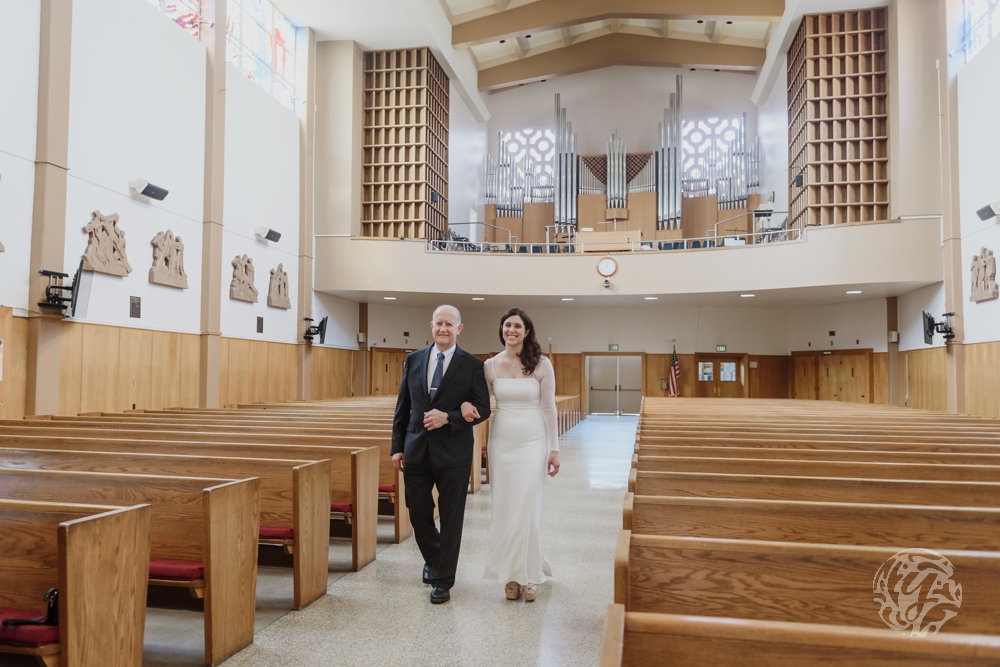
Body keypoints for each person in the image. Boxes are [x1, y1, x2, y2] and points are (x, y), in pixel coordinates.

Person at [391, 305, 491, 604]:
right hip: (417, 449)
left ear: (459, 328)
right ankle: (434, 558)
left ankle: (443, 579)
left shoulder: (472, 365)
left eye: (449, 324)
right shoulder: (414, 359)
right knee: (418, 513)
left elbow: (483, 409)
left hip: (454, 451)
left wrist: (450, 417)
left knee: (451, 517)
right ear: (431, 326)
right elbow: (402, 407)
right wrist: (397, 446)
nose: (443, 328)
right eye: (439, 323)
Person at [474, 308, 559, 602]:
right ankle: (510, 576)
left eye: (517, 326)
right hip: (502, 442)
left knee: (526, 506)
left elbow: (549, 407)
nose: (512, 330)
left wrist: (554, 448)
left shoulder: (541, 364)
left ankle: (531, 575)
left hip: (534, 441)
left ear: (526, 331)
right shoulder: (490, 366)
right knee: (506, 506)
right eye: (507, 325)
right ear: (502, 330)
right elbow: (481, 406)